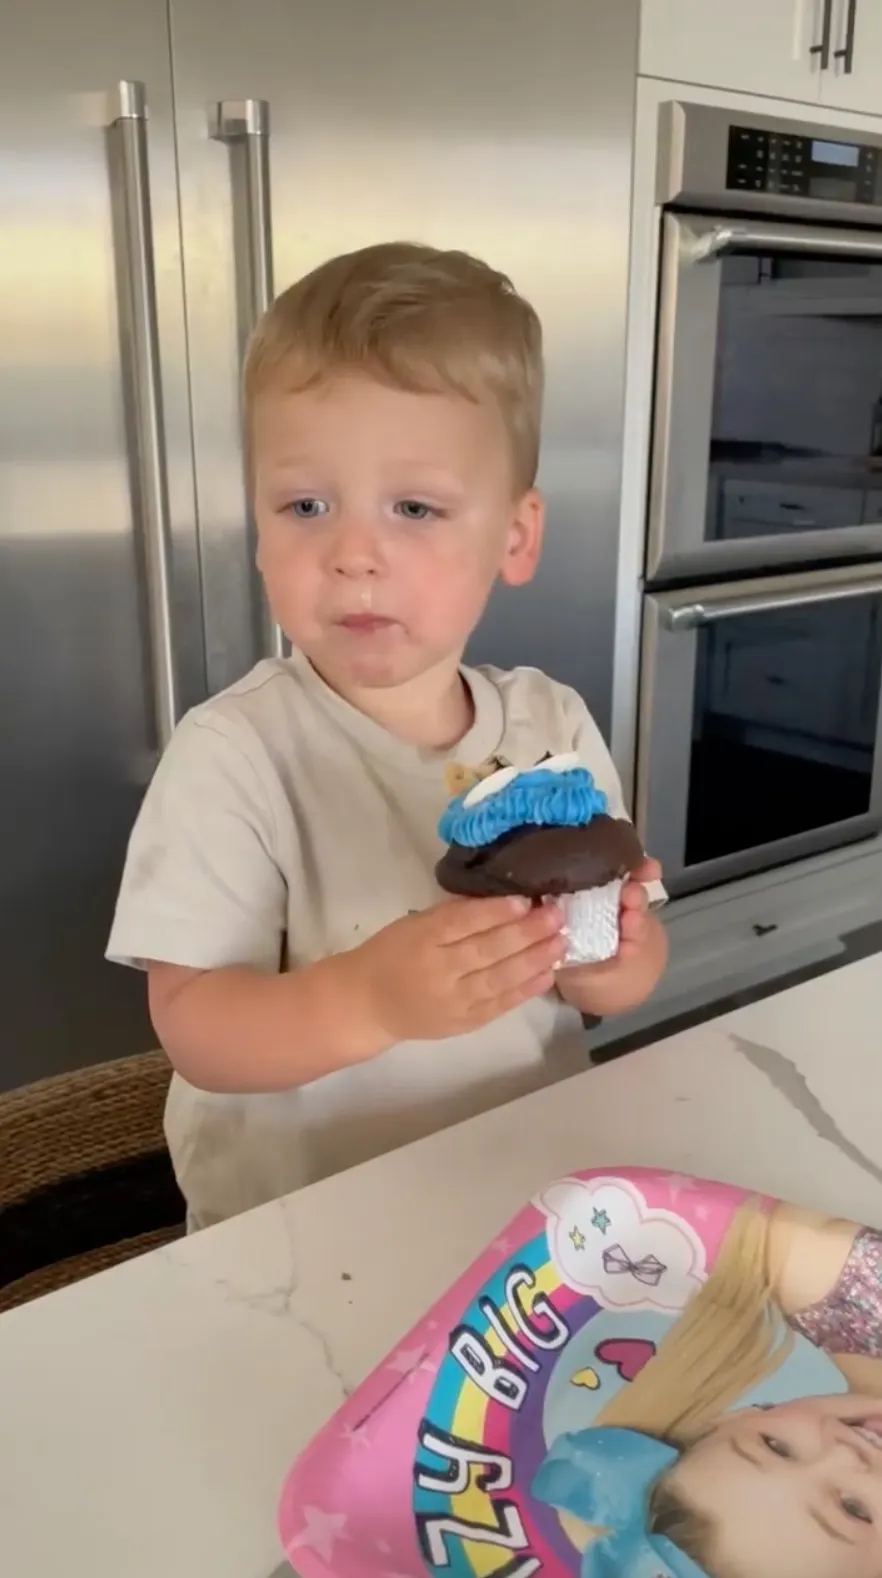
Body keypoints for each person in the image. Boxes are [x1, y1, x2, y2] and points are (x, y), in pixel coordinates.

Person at [107, 241, 667, 1229]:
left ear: (515, 536)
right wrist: (368, 1001)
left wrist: (610, 955)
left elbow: (618, 979)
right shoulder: (236, 755)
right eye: (306, 505)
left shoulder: (552, 725)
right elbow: (195, 1028)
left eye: (414, 507)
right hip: (298, 1236)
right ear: (259, 531)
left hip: (518, 1202)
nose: (354, 553)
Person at [534, 1198, 882, 1578]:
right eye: (854, 1509)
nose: (844, 1452)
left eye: (777, 1446)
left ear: (736, 1417)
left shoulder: (833, 1272)